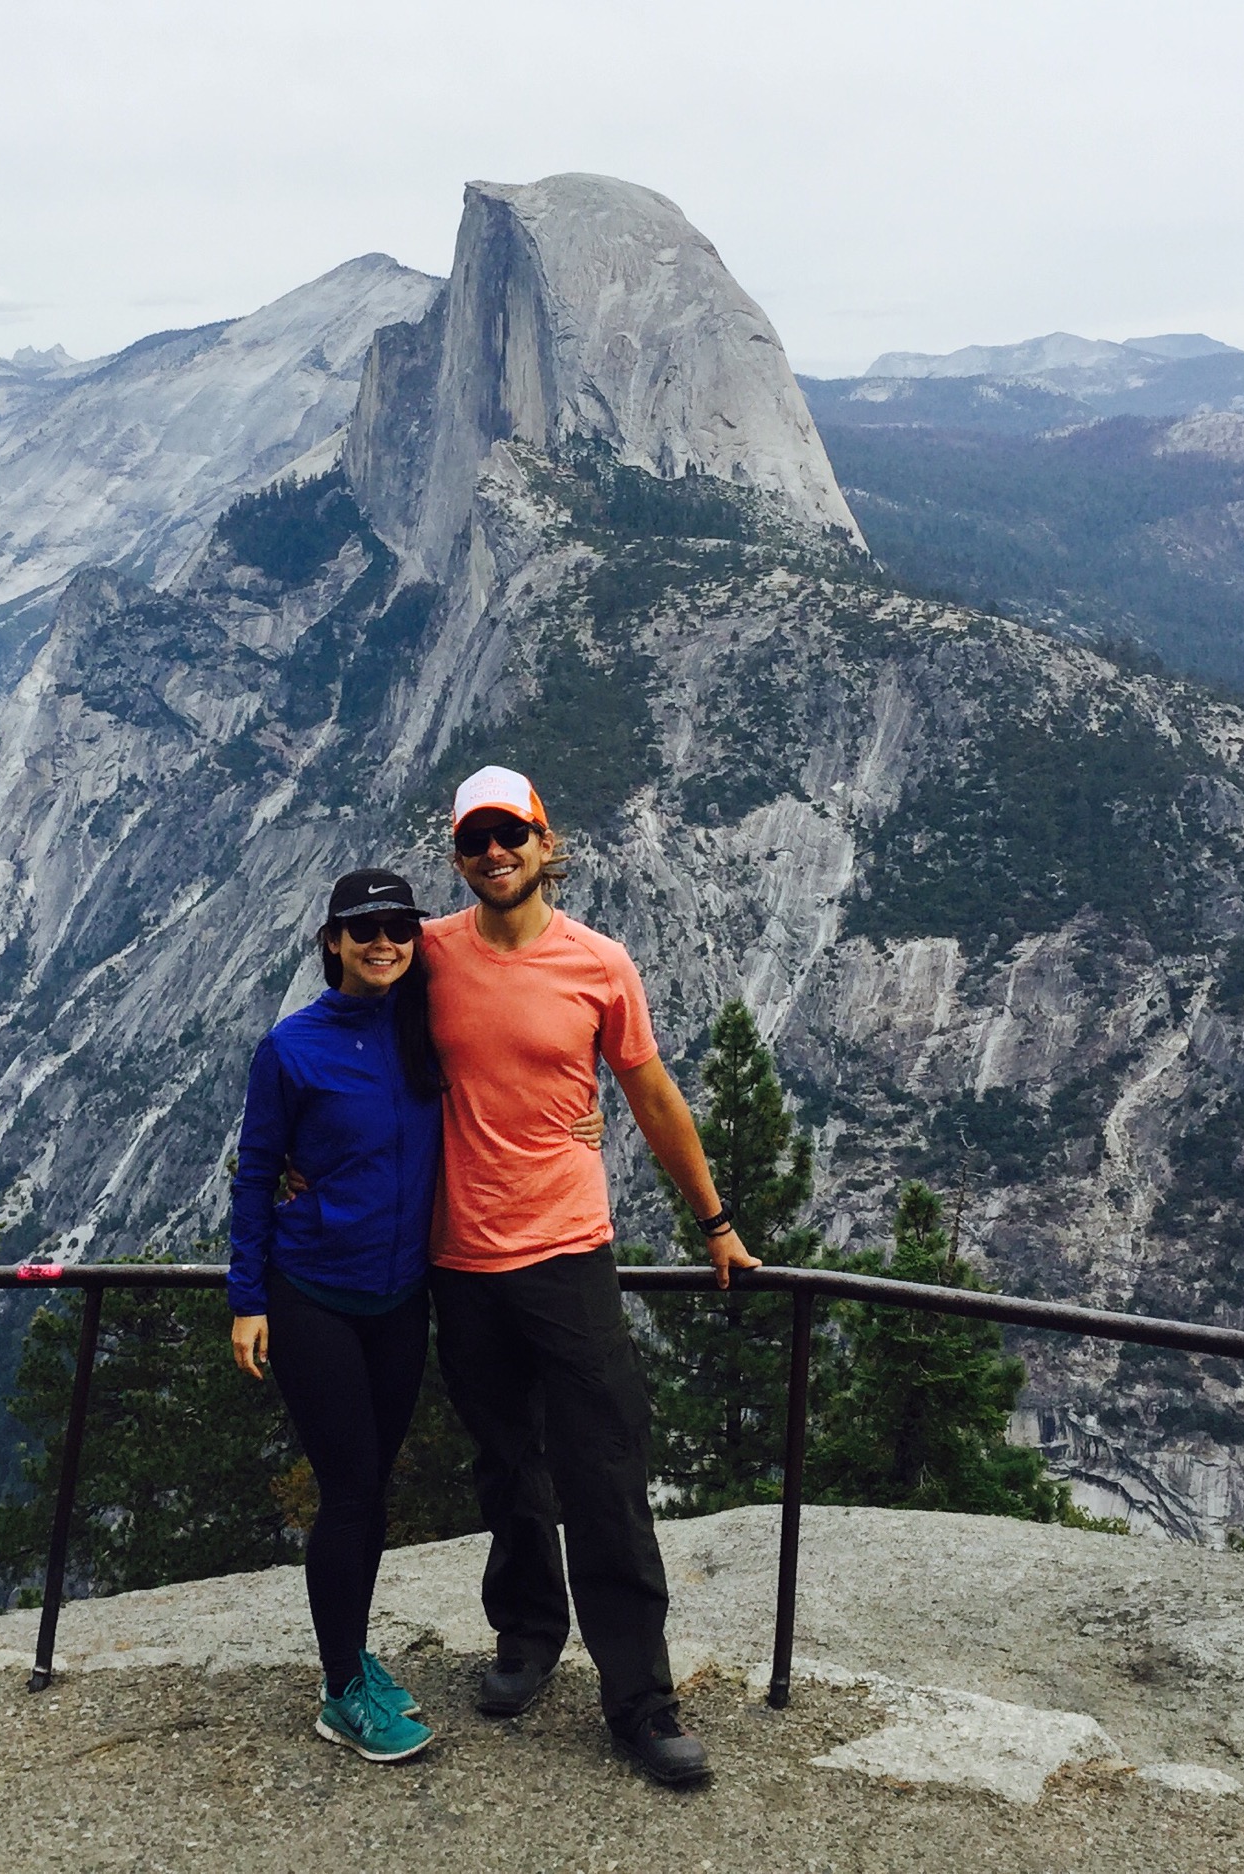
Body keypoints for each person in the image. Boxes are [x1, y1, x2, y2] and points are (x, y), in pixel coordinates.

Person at [420, 764, 759, 1790]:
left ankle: (641, 1702)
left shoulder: (599, 964)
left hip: (569, 1255)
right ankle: (527, 1639)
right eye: (475, 840)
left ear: (544, 839)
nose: (494, 853)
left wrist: (715, 1222)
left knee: (604, 1471)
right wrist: (296, 1165)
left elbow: (650, 1095)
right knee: (504, 1464)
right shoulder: (428, 955)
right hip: (459, 1262)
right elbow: (350, 1050)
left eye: (509, 835)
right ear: (458, 855)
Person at [226, 867, 446, 1763]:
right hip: (313, 1293)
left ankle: (351, 1654)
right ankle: (341, 1689)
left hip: (400, 1298)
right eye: (364, 929)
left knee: (373, 1486)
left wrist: (581, 1116)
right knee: (350, 1488)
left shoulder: (428, 1026)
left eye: (399, 927)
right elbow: (253, 1174)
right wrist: (247, 1299)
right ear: (333, 941)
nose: (383, 942)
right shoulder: (291, 1048)